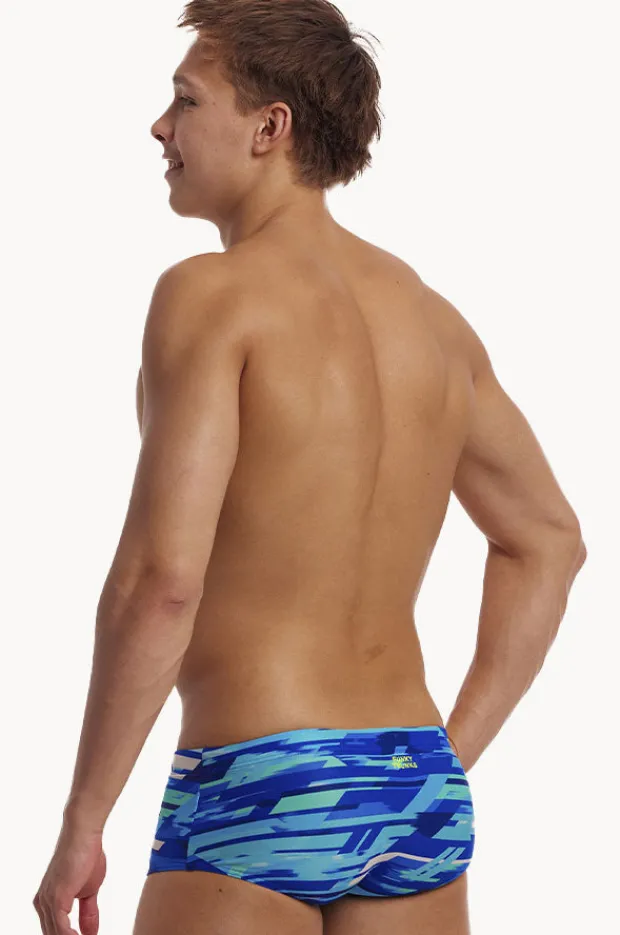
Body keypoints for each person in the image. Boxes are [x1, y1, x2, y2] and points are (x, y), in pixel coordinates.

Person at [33, 2, 587, 934]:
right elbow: (550, 540)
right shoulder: (433, 321)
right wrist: (446, 759)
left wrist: (83, 821)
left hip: (259, 774)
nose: (160, 126)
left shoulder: (210, 297)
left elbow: (162, 582)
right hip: (412, 784)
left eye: (186, 99)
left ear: (270, 127)